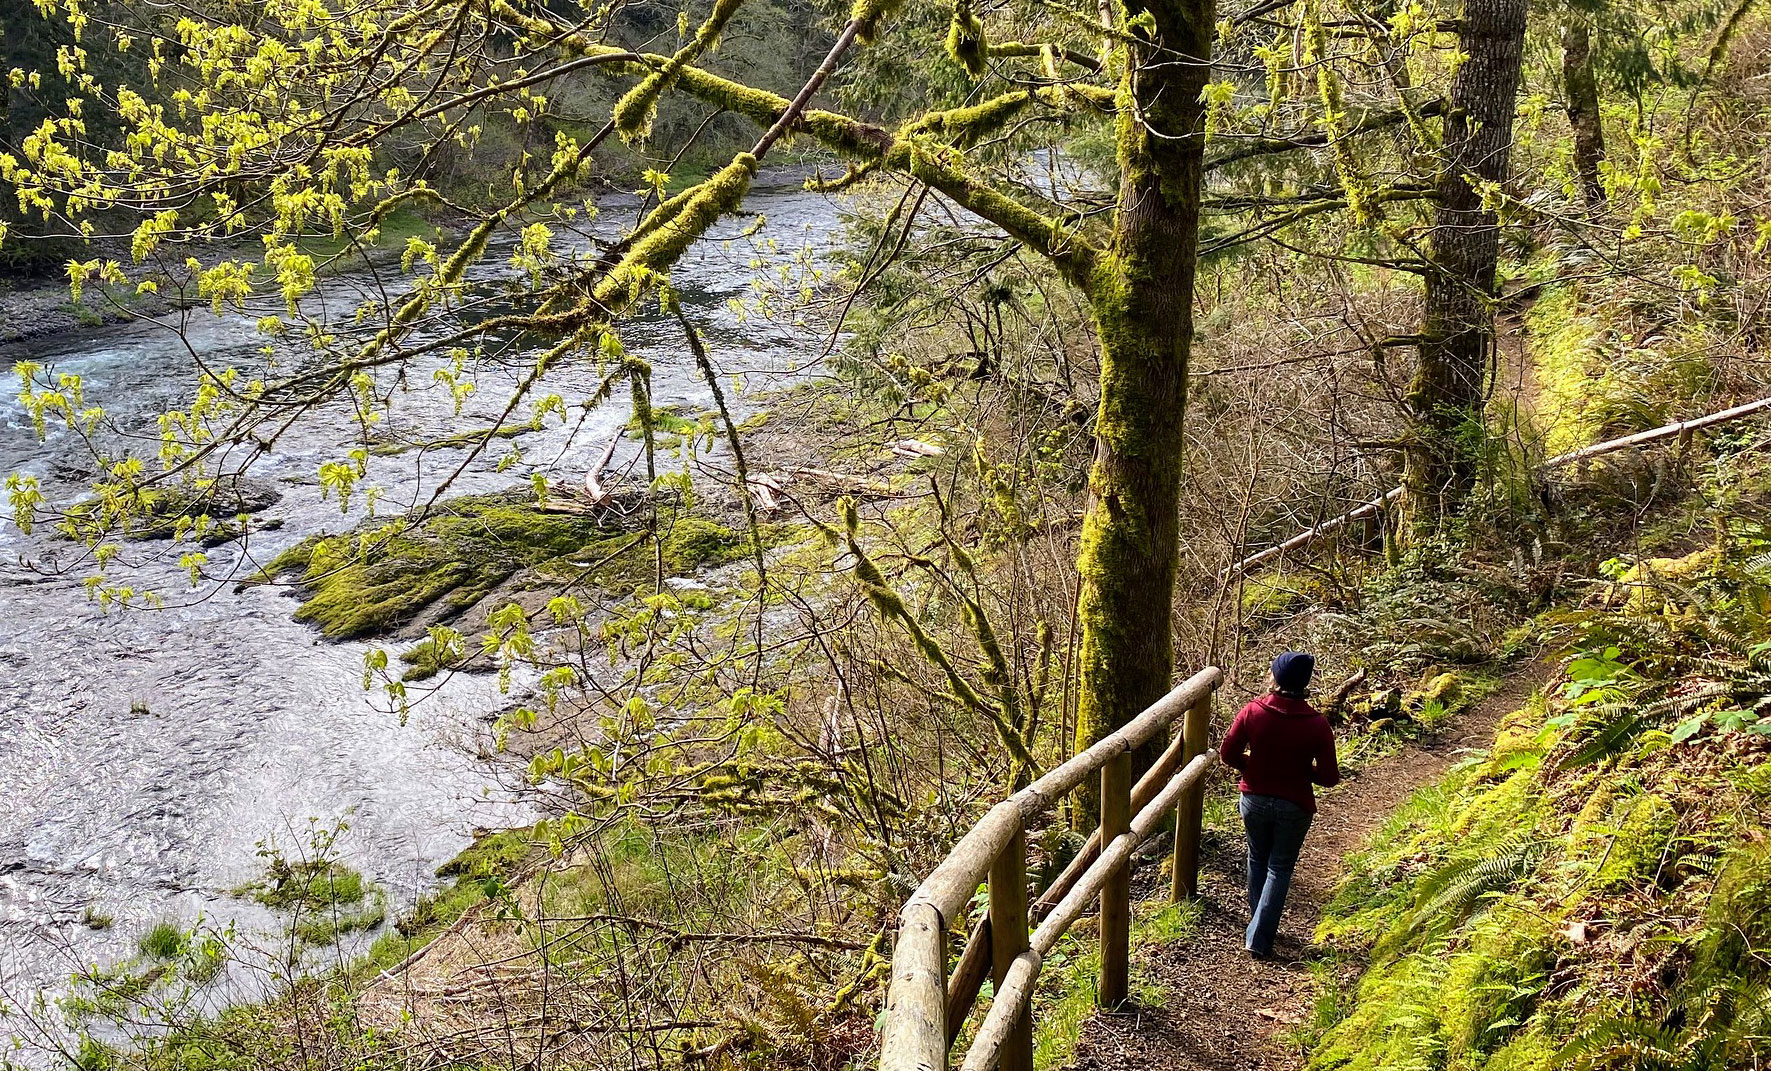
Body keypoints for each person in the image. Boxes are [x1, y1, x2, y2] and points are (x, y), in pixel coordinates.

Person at [1218, 651, 1341, 959]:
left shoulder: (1253, 711)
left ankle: (1257, 926)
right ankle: (1260, 934)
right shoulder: (1317, 724)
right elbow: (1329, 777)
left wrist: (1252, 765)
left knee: (1257, 859)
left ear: (1276, 678)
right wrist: (1301, 770)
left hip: (1254, 798)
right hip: (1295, 805)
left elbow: (1228, 753)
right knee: (1280, 867)